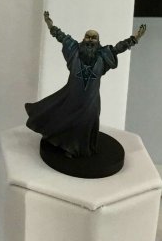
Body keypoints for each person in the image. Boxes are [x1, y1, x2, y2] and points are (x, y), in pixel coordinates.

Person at [25, 11, 146, 157]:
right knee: (65, 118)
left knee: (88, 122)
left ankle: (80, 150)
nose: (90, 40)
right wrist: (49, 23)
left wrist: (134, 38)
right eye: (88, 37)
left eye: (94, 38)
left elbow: (119, 48)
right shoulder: (74, 49)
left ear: (98, 41)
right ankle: (66, 144)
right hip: (72, 96)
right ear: (83, 38)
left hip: (91, 101)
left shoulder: (104, 55)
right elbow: (60, 36)